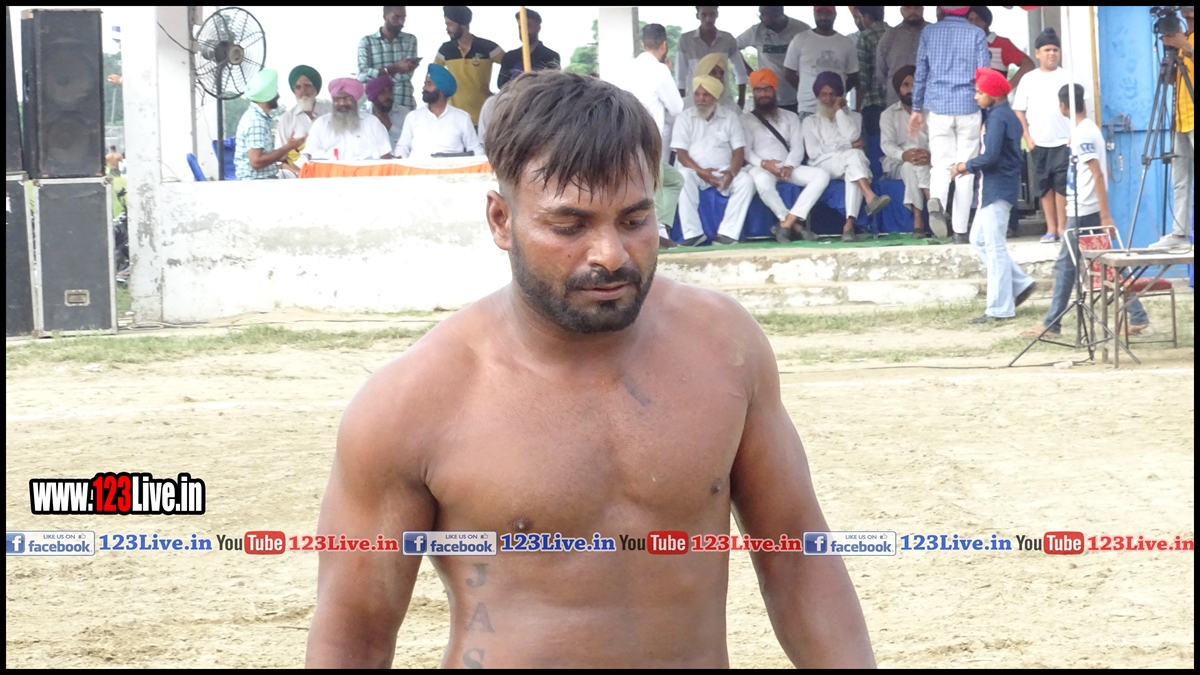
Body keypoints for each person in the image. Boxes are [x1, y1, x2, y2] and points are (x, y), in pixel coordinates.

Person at [304, 69, 875, 669]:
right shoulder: (412, 402)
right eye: (569, 226)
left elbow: (798, 559)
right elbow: (354, 633)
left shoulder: (724, 347)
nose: (610, 254)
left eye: (634, 220)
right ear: (501, 220)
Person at [1022, 84, 1149, 338]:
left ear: (1063, 107)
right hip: (1084, 207)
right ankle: (1137, 314)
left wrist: (1104, 214)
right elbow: (1103, 172)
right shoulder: (1088, 130)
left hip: (1085, 210)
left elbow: (1098, 174)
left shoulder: (1083, 134)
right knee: (1104, 260)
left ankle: (1052, 323)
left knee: (1066, 265)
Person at [951, 68, 1035, 323]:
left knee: (995, 248)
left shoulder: (998, 118)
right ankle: (1020, 283)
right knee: (978, 240)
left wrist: (964, 166)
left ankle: (999, 308)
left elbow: (990, 156)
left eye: (980, 92)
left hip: (997, 188)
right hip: (994, 188)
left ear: (994, 94)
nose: (976, 96)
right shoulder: (1003, 115)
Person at [909, 5, 990, 243]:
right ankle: (960, 231)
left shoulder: (929, 32)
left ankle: (938, 202)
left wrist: (916, 109)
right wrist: (987, 112)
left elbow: (921, 73)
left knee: (940, 166)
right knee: (965, 170)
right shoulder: (976, 33)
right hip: (968, 107)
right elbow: (984, 74)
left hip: (939, 108)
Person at [741, 69, 831, 243]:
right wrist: (764, 164)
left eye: (767, 89)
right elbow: (747, 152)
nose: (763, 94)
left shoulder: (791, 117)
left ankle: (786, 223)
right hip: (760, 168)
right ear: (754, 92)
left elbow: (797, 147)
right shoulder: (744, 120)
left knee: (821, 175)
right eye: (758, 90)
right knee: (761, 180)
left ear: (774, 90)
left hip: (788, 167)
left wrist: (789, 165)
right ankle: (795, 225)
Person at [619, 23, 686, 249]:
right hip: (646, 141)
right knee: (653, 188)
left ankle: (661, 230)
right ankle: (656, 234)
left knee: (673, 180)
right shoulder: (660, 70)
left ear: (642, 44)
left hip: (623, 139)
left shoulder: (628, 67)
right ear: (664, 45)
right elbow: (677, 108)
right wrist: (668, 73)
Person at [803, 72, 891, 241]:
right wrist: (847, 146)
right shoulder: (810, 121)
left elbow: (852, 135)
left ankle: (848, 226)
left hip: (848, 164)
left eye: (833, 94)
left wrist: (838, 111)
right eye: (824, 94)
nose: (828, 99)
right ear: (817, 96)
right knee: (854, 155)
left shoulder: (854, 117)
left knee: (853, 170)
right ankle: (869, 195)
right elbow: (814, 152)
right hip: (822, 165)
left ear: (840, 96)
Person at [672, 75, 756, 246]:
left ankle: (727, 233)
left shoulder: (730, 117)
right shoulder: (684, 118)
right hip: (695, 172)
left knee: (746, 181)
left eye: (706, 95)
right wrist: (701, 172)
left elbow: (739, 151)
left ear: (716, 97)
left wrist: (732, 172)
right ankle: (693, 234)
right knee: (683, 176)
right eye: (697, 94)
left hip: (723, 172)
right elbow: (681, 153)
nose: (700, 99)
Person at [1014, 28, 1075, 244]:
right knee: (1045, 187)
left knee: (1061, 186)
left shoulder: (1068, 76)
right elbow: (1019, 110)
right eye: (1047, 50)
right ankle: (1050, 227)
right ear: (1037, 53)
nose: (1051, 53)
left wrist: (1074, 135)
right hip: (1039, 142)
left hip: (1064, 142)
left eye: (1055, 50)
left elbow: (1079, 108)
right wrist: (1027, 136)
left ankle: (1063, 227)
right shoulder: (1028, 79)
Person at [1154, 6, 1194, 248]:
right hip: (1181, 118)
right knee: (1180, 180)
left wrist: (1187, 47)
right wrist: (1169, 60)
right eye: (1185, 11)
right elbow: (1173, 81)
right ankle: (1180, 234)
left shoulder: (1186, 42)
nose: (1188, 15)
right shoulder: (1183, 39)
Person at [880, 65, 932, 238]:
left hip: (927, 160)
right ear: (898, 89)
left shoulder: (931, 112)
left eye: (915, 85)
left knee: (912, 165)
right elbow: (886, 145)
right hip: (896, 162)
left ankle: (918, 222)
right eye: (906, 85)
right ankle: (933, 205)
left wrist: (930, 155)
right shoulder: (888, 115)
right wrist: (903, 155)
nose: (911, 90)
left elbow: (937, 139)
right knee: (910, 162)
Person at [783, 6, 859, 119]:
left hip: (837, 108)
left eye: (827, 13)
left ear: (835, 14)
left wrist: (836, 92)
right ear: (814, 14)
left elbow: (853, 76)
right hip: (809, 109)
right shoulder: (800, 39)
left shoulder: (846, 43)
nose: (823, 17)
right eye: (819, 13)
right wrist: (809, 90)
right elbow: (789, 73)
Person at [394, 65, 482, 160]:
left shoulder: (462, 118)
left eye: (429, 84)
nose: (424, 88)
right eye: (425, 83)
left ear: (441, 89)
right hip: (417, 168)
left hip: (451, 168)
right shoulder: (413, 116)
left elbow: (475, 150)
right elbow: (402, 148)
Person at [436, 6, 504, 126]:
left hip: (483, 118)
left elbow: (512, 68)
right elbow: (433, 75)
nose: (447, 29)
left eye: (450, 24)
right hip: (454, 120)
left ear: (462, 24)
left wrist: (499, 96)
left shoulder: (488, 47)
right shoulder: (445, 50)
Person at [736, 6, 812, 114]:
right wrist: (750, 72)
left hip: (797, 97)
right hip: (766, 97)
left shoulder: (801, 29)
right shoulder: (756, 31)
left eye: (765, 15)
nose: (761, 18)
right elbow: (733, 48)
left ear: (778, 13)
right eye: (760, 14)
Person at [234, 69, 305, 180]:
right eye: (275, 92)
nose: (279, 96)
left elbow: (265, 156)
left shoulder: (257, 118)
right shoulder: (256, 121)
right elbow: (256, 162)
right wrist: (288, 147)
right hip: (256, 184)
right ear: (267, 95)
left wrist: (290, 150)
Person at [303, 78, 394, 162]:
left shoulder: (372, 123)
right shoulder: (321, 124)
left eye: (347, 98)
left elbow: (385, 156)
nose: (342, 103)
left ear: (356, 99)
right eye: (337, 99)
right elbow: (310, 157)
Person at [676, 6, 749, 108]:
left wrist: (741, 101)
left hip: (723, 100)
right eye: (704, 15)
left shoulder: (727, 39)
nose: (708, 19)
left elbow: (740, 71)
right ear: (697, 16)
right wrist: (682, 103)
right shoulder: (686, 40)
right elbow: (680, 76)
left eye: (712, 14)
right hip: (697, 100)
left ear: (717, 14)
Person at [357, 6, 420, 116]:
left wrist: (379, 78)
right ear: (385, 16)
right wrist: (395, 68)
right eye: (396, 17)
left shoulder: (410, 39)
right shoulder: (367, 42)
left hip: (404, 103)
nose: (401, 22)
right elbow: (362, 76)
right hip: (377, 107)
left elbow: (407, 74)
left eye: (404, 18)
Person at [277, 65, 331, 175]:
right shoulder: (286, 119)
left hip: (328, 173)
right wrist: (300, 174)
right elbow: (279, 161)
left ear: (315, 88)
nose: (303, 90)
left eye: (307, 85)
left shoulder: (330, 115)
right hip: (297, 177)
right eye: (298, 87)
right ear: (294, 91)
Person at [967, 6, 1035, 91]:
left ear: (986, 22)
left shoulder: (1001, 43)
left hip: (994, 97)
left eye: (978, 19)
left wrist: (1006, 88)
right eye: (970, 19)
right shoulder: (964, 44)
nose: (974, 23)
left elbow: (1028, 65)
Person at [876, 5, 928, 108]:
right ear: (901, 11)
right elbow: (881, 72)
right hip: (897, 101)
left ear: (923, 9)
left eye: (917, 7)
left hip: (928, 100)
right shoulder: (889, 36)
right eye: (908, 7)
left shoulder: (934, 34)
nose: (913, 10)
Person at [497, 9, 561, 89]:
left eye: (528, 26)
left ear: (538, 28)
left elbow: (554, 83)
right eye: (520, 27)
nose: (524, 31)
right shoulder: (510, 56)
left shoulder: (550, 56)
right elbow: (501, 83)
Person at [853, 6, 889, 137]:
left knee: (874, 143)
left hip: (873, 104)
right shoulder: (894, 33)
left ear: (867, 16)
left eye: (860, 17)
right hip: (895, 102)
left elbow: (862, 78)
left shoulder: (865, 37)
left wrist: (857, 108)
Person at [367, 74, 409, 149]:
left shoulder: (404, 113)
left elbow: (411, 142)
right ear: (373, 96)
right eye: (382, 93)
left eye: (390, 91)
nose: (388, 96)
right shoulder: (365, 117)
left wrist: (390, 127)